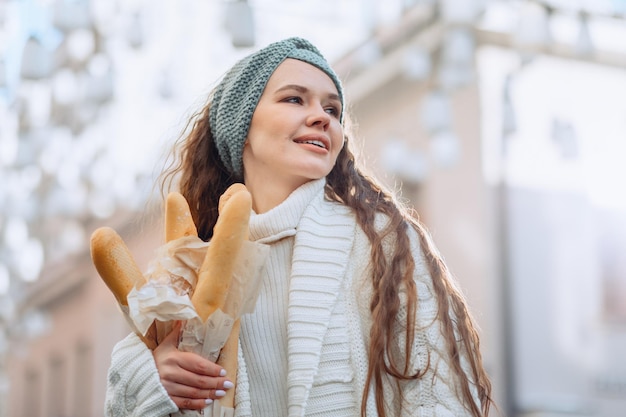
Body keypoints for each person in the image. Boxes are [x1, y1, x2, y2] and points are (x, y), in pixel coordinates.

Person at [104, 37, 494, 417]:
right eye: (294, 99)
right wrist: (153, 380)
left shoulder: (382, 242)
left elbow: (438, 395)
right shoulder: (189, 268)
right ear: (241, 127)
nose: (322, 117)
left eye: (333, 110)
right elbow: (124, 393)